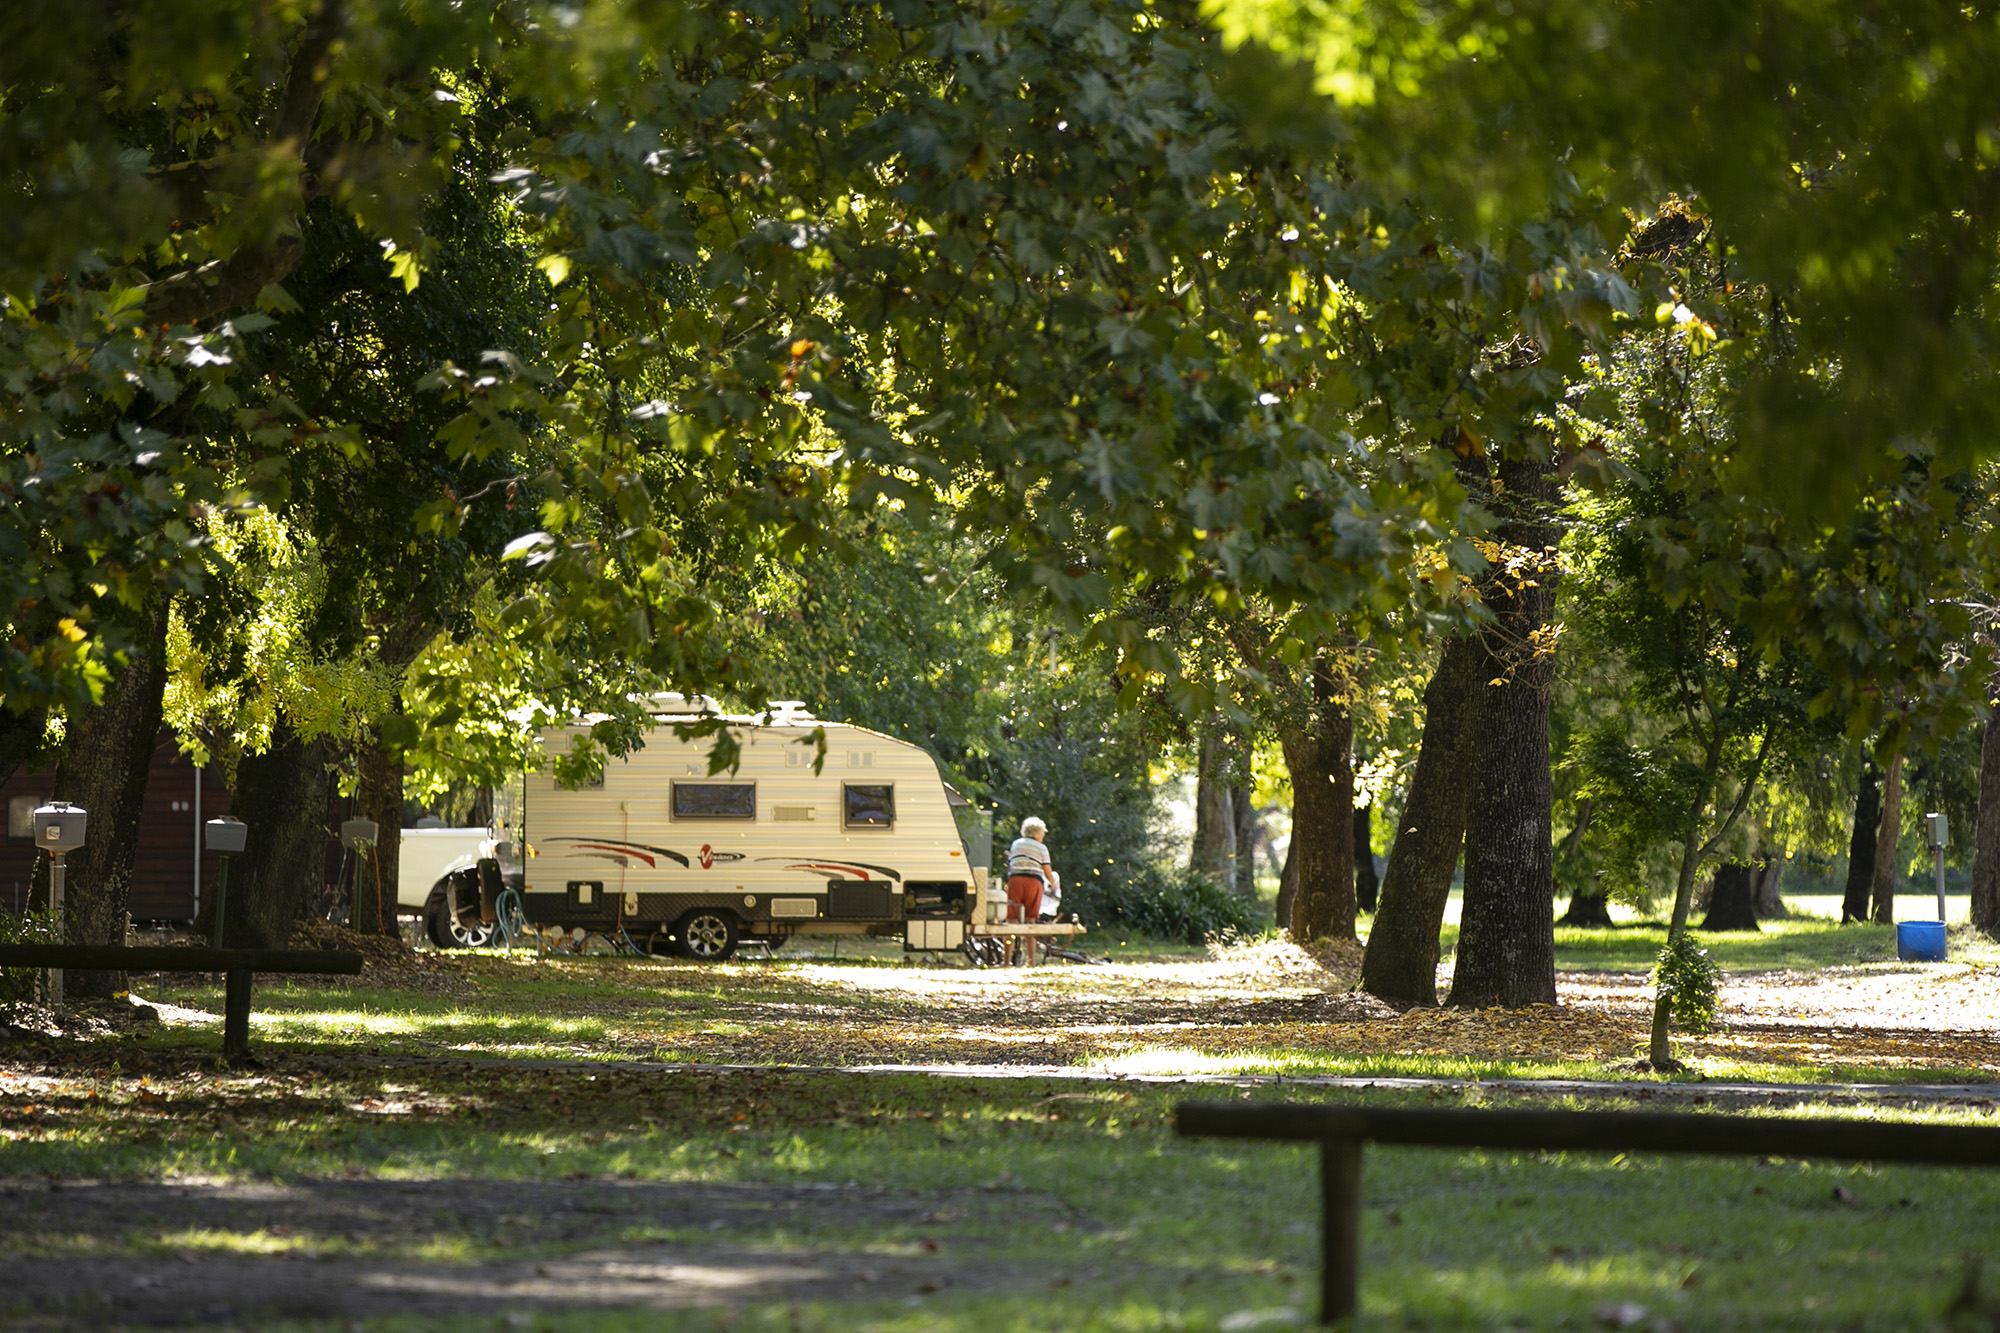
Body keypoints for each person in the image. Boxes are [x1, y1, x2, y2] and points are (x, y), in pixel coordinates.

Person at [1006, 816, 1055, 966]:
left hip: (1015, 881)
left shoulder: (1016, 843)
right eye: (1042, 832)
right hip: (1033, 882)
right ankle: (1031, 962)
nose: (1044, 835)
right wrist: (1053, 884)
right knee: (1030, 921)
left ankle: (1006, 962)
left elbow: (1011, 864)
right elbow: (1047, 869)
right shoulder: (1041, 848)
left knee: (1011, 922)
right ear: (1036, 833)